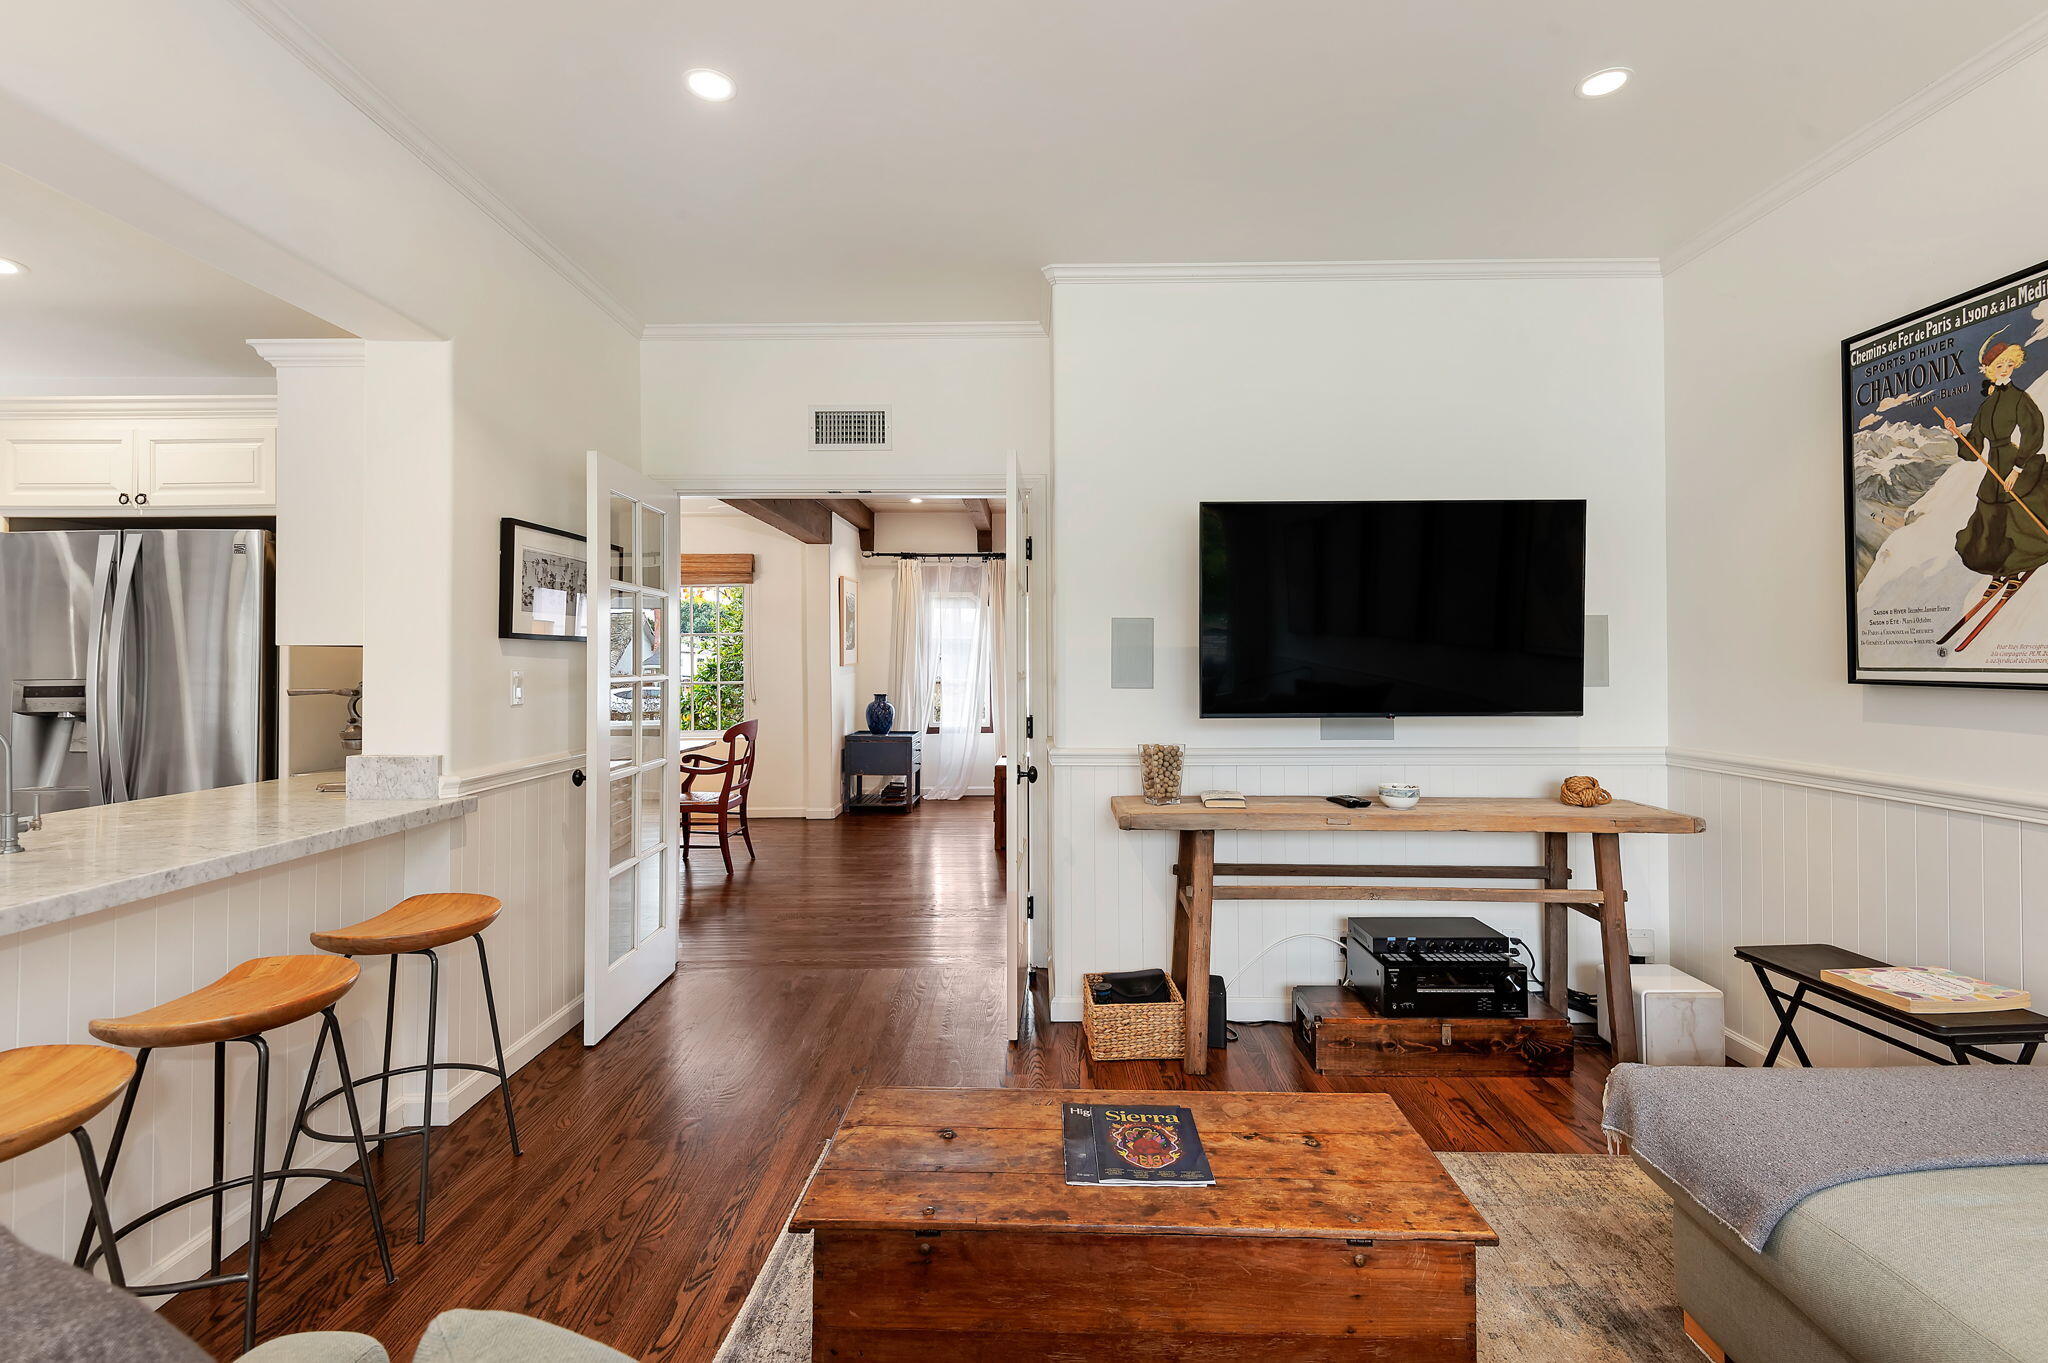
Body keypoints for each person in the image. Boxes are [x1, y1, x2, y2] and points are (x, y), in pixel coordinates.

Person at [1943, 334, 2048, 585]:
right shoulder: (1986, 407)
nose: (2005, 369)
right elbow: (1973, 449)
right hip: (1994, 466)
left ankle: (2016, 567)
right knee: (1991, 518)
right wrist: (1956, 433)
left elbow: (2034, 432)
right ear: (1990, 370)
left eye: (2009, 364)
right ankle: (2000, 569)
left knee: (2015, 514)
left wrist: (2017, 469)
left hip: (2015, 461)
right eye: (1999, 365)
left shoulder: (2019, 398)